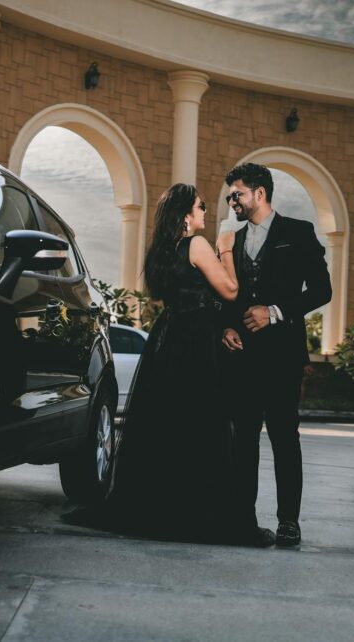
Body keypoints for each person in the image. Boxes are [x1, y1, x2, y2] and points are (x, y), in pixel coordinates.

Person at [104, 183, 248, 543]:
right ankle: (196, 510)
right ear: (186, 214)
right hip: (195, 341)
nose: (204, 212)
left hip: (167, 338)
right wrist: (227, 251)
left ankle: (159, 507)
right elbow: (230, 290)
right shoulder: (198, 245)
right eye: (200, 206)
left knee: (165, 419)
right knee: (201, 419)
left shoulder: (162, 251)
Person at [219, 163, 332, 547]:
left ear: (260, 194)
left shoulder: (297, 233)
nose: (231, 200)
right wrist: (228, 326)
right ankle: (241, 517)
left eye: (237, 193)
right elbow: (226, 296)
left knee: (285, 437)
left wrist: (276, 311)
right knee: (243, 439)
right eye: (230, 195)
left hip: (283, 355)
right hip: (242, 357)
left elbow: (321, 290)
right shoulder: (230, 240)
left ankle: (289, 521)